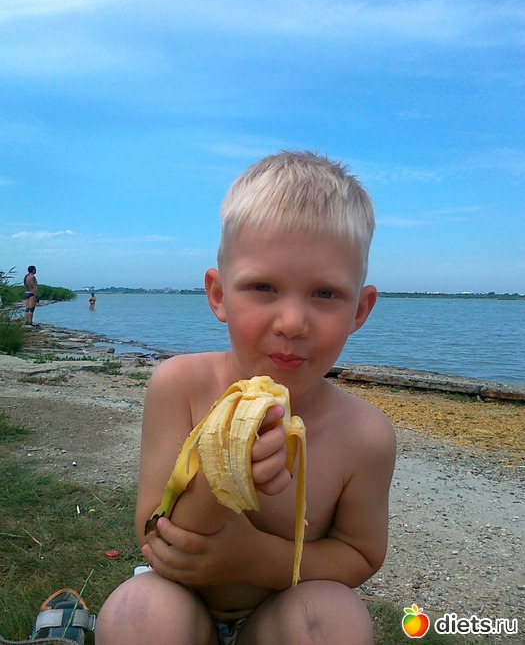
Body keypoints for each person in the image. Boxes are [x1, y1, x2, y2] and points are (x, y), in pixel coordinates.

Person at [96, 151, 396, 644]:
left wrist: (256, 558)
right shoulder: (179, 385)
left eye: (325, 294)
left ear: (360, 310)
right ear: (219, 295)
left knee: (335, 620)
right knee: (137, 614)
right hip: (184, 603)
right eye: (263, 287)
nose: (293, 323)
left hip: (280, 613)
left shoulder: (366, 435)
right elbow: (156, 536)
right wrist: (224, 474)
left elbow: (359, 555)